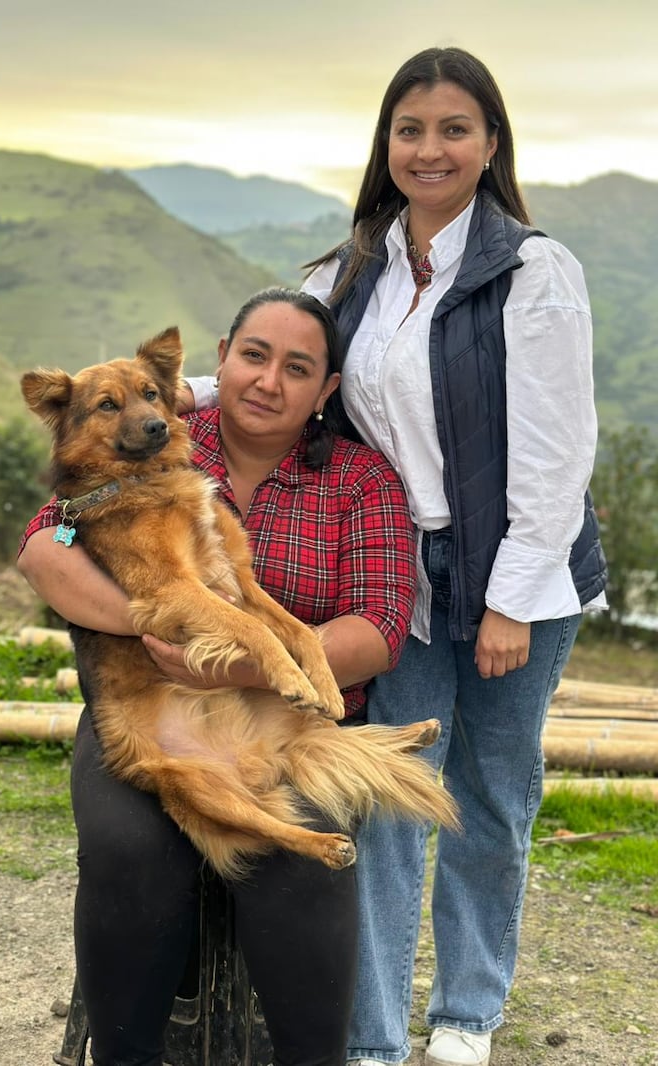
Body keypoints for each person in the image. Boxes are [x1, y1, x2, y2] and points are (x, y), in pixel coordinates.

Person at [299, 47, 608, 1066]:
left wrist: (511, 601)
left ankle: (466, 1010)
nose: (427, 148)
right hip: (398, 573)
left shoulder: (530, 270)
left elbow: (558, 453)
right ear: (385, 144)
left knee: (487, 792)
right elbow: (289, 369)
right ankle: (374, 1035)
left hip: (520, 568)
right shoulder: (348, 269)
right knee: (389, 790)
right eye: (408, 129)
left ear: (488, 145)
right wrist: (192, 398)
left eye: (451, 129)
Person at [17, 286, 418, 1066]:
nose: (269, 381)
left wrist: (239, 662)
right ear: (223, 362)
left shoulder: (360, 481)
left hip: (280, 717)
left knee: (300, 860)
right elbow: (45, 543)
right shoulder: (155, 444)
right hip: (144, 706)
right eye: (254, 356)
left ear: (325, 390)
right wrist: (157, 620)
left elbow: (379, 629)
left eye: (297, 368)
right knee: (128, 853)